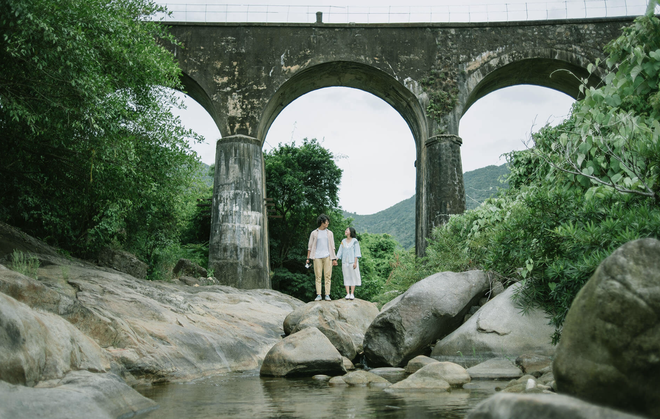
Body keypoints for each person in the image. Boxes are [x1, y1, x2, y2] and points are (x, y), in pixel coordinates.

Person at [306, 214, 338, 301]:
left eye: (328, 221)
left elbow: (333, 246)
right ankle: (319, 294)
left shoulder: (330, 233)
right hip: (316, 256)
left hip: (328, 256)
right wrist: (308, 258)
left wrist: (334, 258)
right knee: (318, 276)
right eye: (326, 221)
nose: (327, 223)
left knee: (328, 276)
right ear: (322, 222)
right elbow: (310, 246)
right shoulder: (314, 233)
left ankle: (327, 294)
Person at [336, 227, 361, 300]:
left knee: (352, 276)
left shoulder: (355, 241)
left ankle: (352, 293)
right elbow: (340, 251)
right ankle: (347, 293)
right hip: (344, 262)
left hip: (352, 262)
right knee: (346, 276)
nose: (345, 231)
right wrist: (336, 259)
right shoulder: (343, 241)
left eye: (347, 230)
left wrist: (355, 262)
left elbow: (357, 252)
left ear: (350, 232)